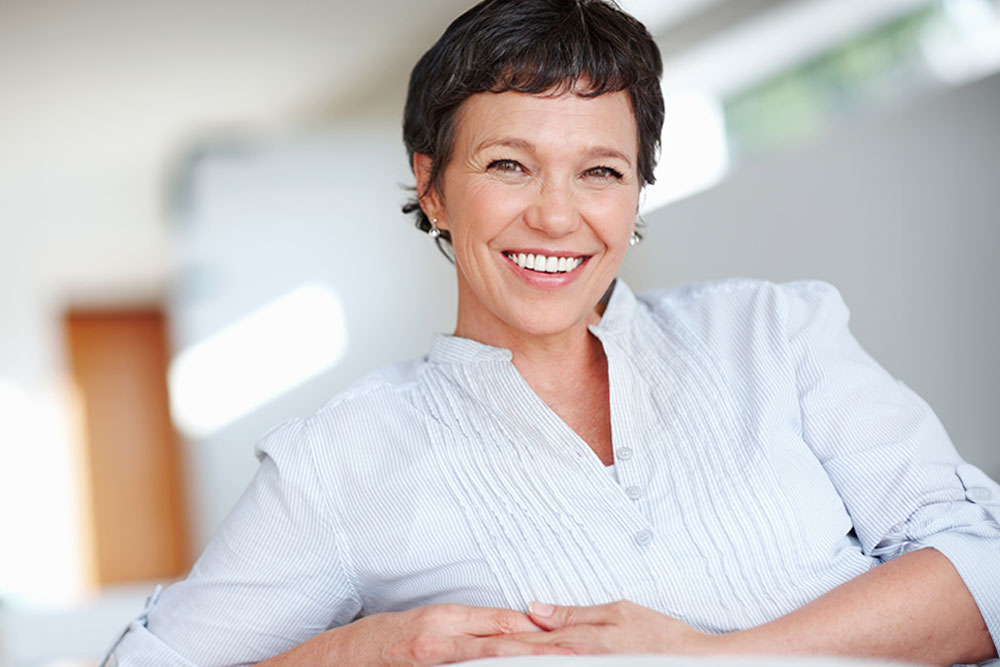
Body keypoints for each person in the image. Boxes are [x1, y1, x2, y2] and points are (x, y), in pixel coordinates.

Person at [103, 0, 1000, 665]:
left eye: (599, 171)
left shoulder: (774, 332)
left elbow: (981, 569)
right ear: (435, 185)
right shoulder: (337, 463)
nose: (558, 216)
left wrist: (705, 658)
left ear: (637, 192)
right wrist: (359, 652)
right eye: (508, 164)